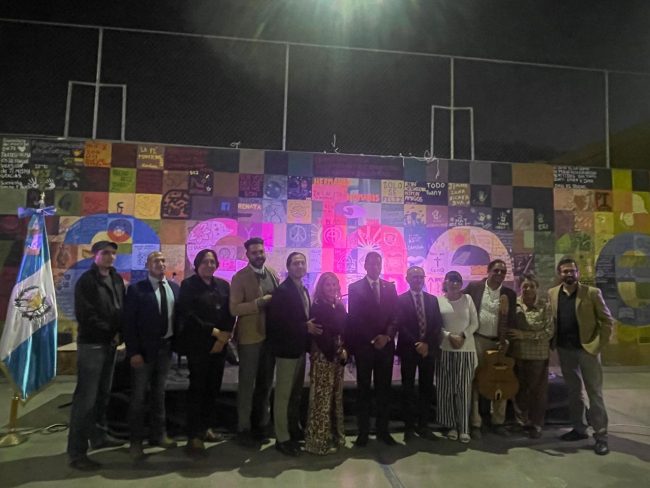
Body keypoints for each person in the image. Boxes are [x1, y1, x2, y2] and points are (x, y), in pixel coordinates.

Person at [67, 240, 125, 470]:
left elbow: (121, 309)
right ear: (95, 255)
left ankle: (99, 437)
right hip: (92, 345)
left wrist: (120, 333)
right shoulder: (87, 281)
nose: (110, 256)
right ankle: (77, 452)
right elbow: (86, 314)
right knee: (86, 400)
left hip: (110, 344)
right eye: (105, 253)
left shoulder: (116, 278)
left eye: (113, 253)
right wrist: (111, 331)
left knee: (103, 395)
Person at [548, 257, 614, 455]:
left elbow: (607, 321)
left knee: (594, 393)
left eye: (572, 271)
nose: (569, 274)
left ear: (578, 273)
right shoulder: (552, 293)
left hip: (587, 351)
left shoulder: (592, 293)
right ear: (559, 274)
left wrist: (596, 346)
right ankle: (579, 429)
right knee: (573, 392)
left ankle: (601, 436)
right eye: (565, 271)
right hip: (565, 350)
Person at [177, 249, 235, 455]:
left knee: (213, 388)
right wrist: (214, 332)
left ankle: (207, 428)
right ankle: (194, 435)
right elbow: (188, 314)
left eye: (212, 262)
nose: (209, 265)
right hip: (198, 344)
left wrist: (224, 337)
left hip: (220, 345)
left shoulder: (223, 285)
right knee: (197, 389)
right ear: (197, 264)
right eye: (205, 261)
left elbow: (230, 313)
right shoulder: (188, 285)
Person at [123, 251, 179, 461]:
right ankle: (136, 442)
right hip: (143, 353)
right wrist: (134, 352)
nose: (160, 263)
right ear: (147, 265)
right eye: (156, 260)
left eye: (163, 260)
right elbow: (129, 323)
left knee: (159, 394)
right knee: (138, 398)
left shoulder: (174, 288)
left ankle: (159, 435)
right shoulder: (137, 290)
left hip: (166, 350)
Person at [267, 252, 321, 456]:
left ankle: (293, 428)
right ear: (288, 267)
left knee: (295, 394)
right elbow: (277, 323)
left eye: (302, 263)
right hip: (286, 351)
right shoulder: (282, 291)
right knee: (283, 395)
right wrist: (304, 327)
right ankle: (282, 438)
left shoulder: (303, 289)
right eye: (295, 263)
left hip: (299, 349)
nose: (299, 266)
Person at [229, 237, 280, 448]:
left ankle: (262, 425)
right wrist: (258, 303)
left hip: (270, 338)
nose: (259, 255)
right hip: (250, 338)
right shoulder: (239, 277)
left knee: (266, 385)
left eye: (261, 252)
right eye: (254, 253)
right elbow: (234, 309)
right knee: (247, 385)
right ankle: (243, 428)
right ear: (247, 255)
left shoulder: (273, 274)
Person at [345, 251, 399, 446]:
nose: (375, 266)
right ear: (365, 265)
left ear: (381, 265)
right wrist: (372, 338)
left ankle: (383, 431)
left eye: (378, 263)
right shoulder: (355, 288)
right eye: (371, 263)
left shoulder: (390, 287)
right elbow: (354, 318)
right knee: (364, 390)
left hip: (386, 346)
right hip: (364, 347)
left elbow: (395, 316)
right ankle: (363, 432)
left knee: (384, 390)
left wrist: (386, 336)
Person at [463, 259, 516, 439]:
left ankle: (498, 421)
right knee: (476, 380)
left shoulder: (509, 293)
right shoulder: (474, 288)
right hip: (478, 340)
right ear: (488, 271)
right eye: (496, 270)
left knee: (501, 380)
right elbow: (459, 302)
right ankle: (475, 422)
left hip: (500, 344)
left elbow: (512, 319)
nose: (499, 274)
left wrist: (506, 340)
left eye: (503, 271)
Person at [396, 266, 443, 442]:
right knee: (407, 389)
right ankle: (408, 428)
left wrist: (426, 344)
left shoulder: (432, 300)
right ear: (407, 279)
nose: (417, 280)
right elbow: (400, 325)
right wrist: (417, 343)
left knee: (426, 389)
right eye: (414, 277)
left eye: (420, 277)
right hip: (409, 349)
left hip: (428, 350)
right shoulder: (400, 300)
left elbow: (437, 325)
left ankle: (424, 426)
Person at [304, 272, 348, 455]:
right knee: (321, 400)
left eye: (334, 284)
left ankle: (335, 437)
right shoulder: (318, 306)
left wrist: (345, 349)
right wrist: (337, 350)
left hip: (338, 358)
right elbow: (321, 334)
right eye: (327, 285)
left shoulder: (339, 306)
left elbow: (345, 330)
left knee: (335, 397)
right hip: (324, 357)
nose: (331, 288)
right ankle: (318, 442)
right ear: (321, 287)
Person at [508, 273, 554, 439]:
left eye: (531, 286)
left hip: (537, 356)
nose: (528, 289)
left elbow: (549, 331)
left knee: (537, 392)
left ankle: (536, 424)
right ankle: (521, 422)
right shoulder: (515, 304)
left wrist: (525, 335)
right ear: (520, 288)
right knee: (518, 390)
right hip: (517, 355)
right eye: (525, 286)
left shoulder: (545, 306)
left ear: (537, 288)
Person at [437, 271, 479, 443]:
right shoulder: (439, 301)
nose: (454, 284)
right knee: (446, 390)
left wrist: (462, 336)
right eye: (451, 280)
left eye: (458, 281)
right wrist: (449, 336)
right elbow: (436, 325)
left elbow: (474, 323)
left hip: (466, 350)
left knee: (463, 391)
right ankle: (451, 426)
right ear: (445, 282)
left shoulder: (468, 299)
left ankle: (464, 428)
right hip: (445, 350)